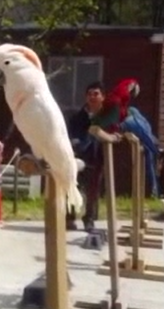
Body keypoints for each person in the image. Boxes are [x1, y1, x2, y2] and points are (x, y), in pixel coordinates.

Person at [67, 81, 105, 231]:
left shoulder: (107, 117)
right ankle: (70, 217)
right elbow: (72, 135)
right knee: (72, 187)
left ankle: (89, 219)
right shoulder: (77, 117)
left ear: (103, 97)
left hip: (98, 158)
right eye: (89, 94)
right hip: (78, 157)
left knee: (93, 190)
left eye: (96, 94)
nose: (92, 97)